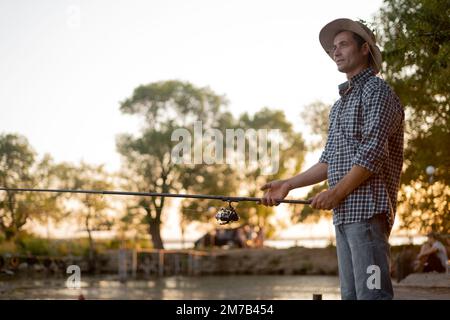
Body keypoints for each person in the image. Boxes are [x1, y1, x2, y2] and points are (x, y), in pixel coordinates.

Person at [260, 18, 404, 300]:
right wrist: (288, 184)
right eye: (333, 48)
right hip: (344, 216)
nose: (335, 52)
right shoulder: (339, 107)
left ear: (365, 49)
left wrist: (336, 193)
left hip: (367, 214)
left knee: (373, 296)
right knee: (350, 297)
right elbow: (327, 161)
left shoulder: (378, 92)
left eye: (343, 45)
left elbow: (374, 151)